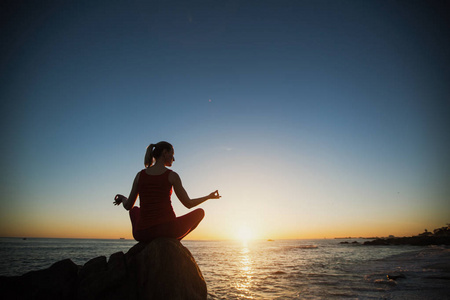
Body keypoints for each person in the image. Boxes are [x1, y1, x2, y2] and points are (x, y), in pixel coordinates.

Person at [113, 141, 221, 242]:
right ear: (165, 153)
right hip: (168, 231)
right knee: (200, 212)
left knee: (134, 209)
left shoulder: (139, 175)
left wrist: (123, 198)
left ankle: (166, 241)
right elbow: (188, 204)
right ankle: (173, 241)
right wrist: (208, 197)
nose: (173, 159)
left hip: (142, 234)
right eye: (172, 154)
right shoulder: (172, 176)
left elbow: (128, 206)